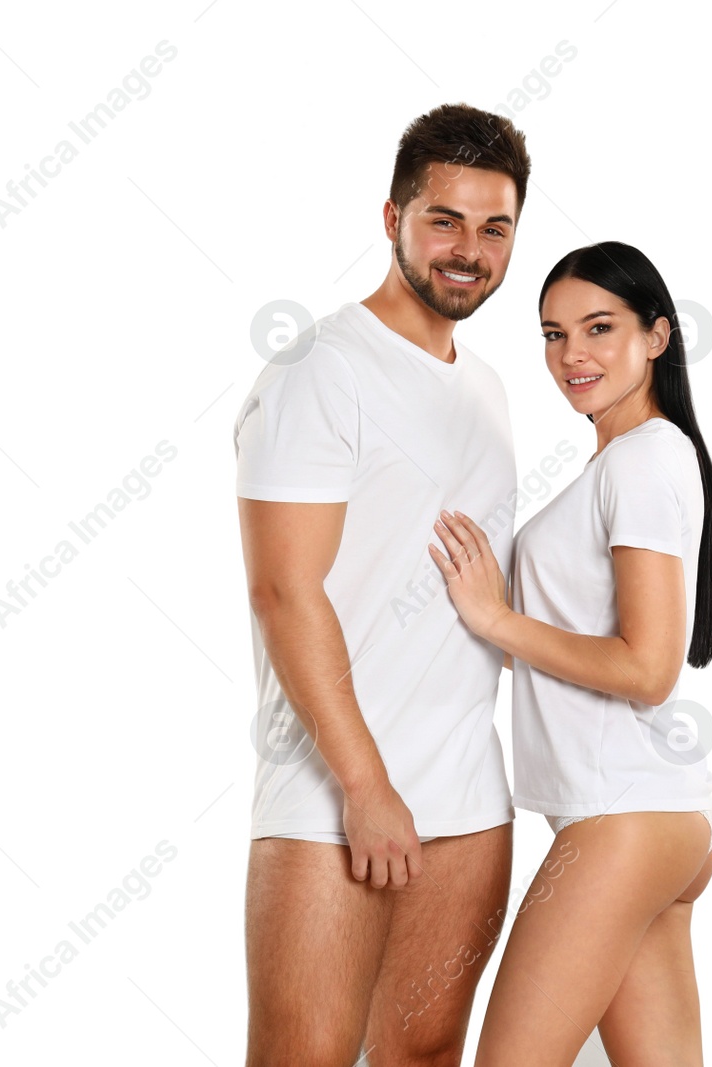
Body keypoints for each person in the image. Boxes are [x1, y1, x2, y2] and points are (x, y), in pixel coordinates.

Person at [233, 103, 531, 1066]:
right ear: (394, 215)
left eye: (495, 229)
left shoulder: (485, 388)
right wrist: (366, 783)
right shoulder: (320, 368)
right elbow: (285, 590)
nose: (468, 251)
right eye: (444, 219)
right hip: (334, 797)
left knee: (425, 1052)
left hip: (468, 798)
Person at [428, 241, 712, 1066]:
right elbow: (583, 646)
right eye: (553, 334)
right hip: (653, 816)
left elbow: (647, 668)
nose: (572, 356)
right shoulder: (623, 462)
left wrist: (494, 618)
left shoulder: (647, 458)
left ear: (658, 335)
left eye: (599, 328)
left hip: (622, 818)